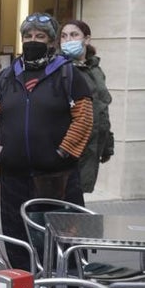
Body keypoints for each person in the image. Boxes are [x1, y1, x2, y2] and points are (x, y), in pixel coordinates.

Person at [0, 13, 93, 269]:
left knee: (61, 241)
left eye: (40, 36)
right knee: (17, 240)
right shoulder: (6, 77)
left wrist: (61, 152)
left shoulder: (68, 75)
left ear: (52, 41)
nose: (33, 40)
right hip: (13, 177)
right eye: (28, 36)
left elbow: (83, 119)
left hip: (56, 178)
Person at [59, 20, 114, 194]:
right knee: (65, 198)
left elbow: (102, 108)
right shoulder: (59, 69)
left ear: (87, 39)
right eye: (64, 36)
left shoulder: (95, 69)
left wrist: (107, 145)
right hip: (70, 145)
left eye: (74, 35)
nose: (68, 40)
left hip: (92, 145)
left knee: (79, 196)